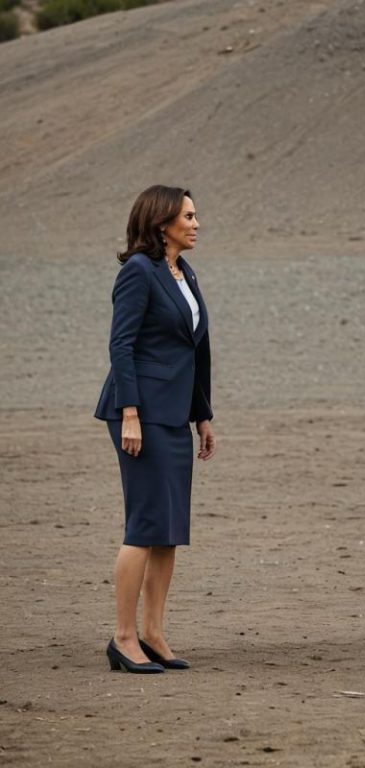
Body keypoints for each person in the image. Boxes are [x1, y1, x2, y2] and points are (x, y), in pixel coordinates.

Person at [95, 185, 216, 673]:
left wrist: (202, 415)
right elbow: (121, 346)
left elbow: (196, 349)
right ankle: (123, 637)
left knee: (168, 530)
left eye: (195, 215)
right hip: (139, 414)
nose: (196, 224)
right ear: (162, 223)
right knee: (145, 526)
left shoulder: (184, 273)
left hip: (174, 413)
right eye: (187, 216)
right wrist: (130, 413)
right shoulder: (138, 272)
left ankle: (153, 633)